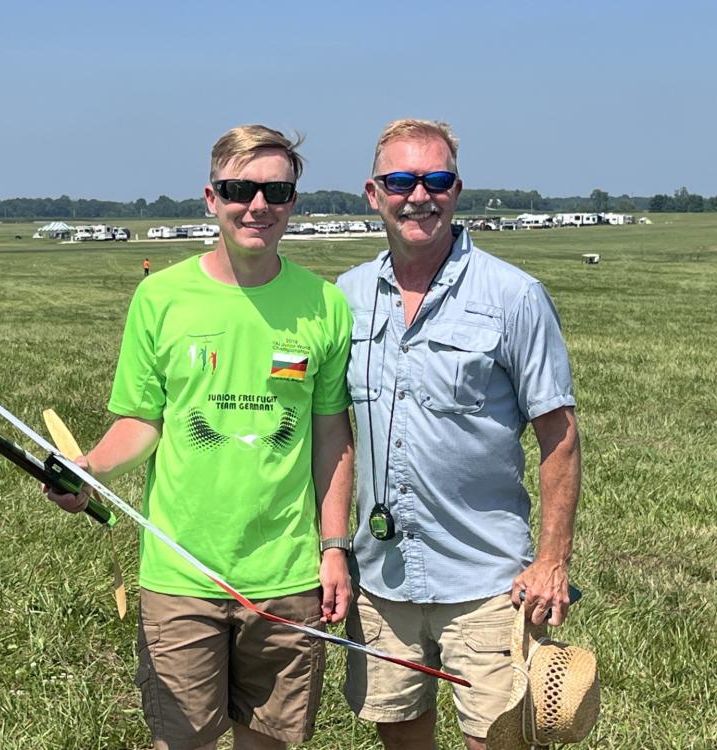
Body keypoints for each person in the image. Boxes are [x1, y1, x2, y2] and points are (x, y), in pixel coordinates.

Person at [46, 124, 355, 750]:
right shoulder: (160, 297)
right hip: (180, 574)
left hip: (287, 576)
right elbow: (142, 420)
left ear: (295, 201)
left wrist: (333, 547)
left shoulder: (324, 305)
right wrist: (90, 467)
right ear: (211, 198)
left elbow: (332, 438)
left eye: (277, 192)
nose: (258, 206)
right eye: (240, 189)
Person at [335, 119, 581, 750]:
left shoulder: (514, 296)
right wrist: (332, 544)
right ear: (373, 192)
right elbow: (332, 432)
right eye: (401, 180)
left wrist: (551, 561)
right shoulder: (347, 296)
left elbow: (559, 437)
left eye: (435, 179)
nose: (419, 195)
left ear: (456, 189)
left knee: (498, 739)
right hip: (381, 576)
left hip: (488, 580)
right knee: (400, 732)